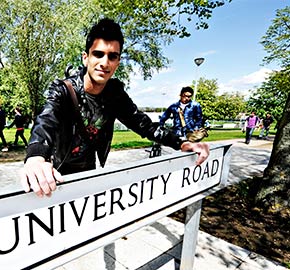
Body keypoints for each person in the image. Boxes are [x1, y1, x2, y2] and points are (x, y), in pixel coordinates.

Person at [19, 18, 210, 198]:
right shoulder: (63, 89)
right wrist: (36, 157)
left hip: (88, 171)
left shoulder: (115, 94)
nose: (104, 62)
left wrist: (182, 143)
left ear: (117, 63)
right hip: (56, 172)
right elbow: (46, 120)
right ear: (86, 58)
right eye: (98, 54)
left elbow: (144, 125)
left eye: (112, 56)